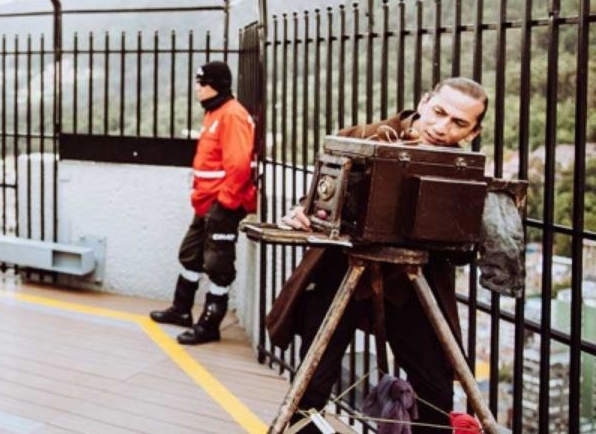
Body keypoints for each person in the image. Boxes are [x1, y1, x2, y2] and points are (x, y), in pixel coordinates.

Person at [267, 78, 488, 433]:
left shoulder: (464, 169)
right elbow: (319, 196)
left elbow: (463, 253)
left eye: (459, 123)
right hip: (341, 271)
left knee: (435, 394)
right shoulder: (365, 136)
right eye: (439, 112)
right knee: (311, 390)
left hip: (413, 284)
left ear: (474, 131)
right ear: (424, 102)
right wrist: (301, 211)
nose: (442, 127)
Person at [150, 61, 256, 345]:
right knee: (191, 254)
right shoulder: (214, 113)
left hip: (223, 204)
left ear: (216, 85)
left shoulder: (232, 115)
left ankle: (209, 324)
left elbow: (239, 165)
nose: (197, 88)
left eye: (202, 82)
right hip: (206, 202)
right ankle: (181, 309)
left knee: (218, 264)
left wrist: (225, 204)